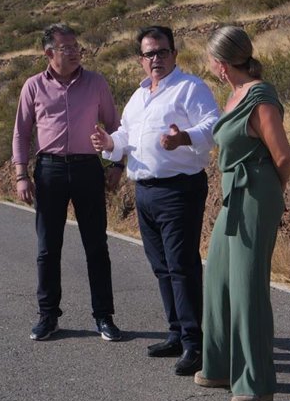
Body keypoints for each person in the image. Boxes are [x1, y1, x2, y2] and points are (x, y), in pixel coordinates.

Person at [92, 26, 219, 376]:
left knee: (181, 266)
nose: (156, 59)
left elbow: (214, 124)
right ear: (141, 60)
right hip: (145, 191)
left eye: (162, 52)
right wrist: (110, 143)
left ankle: (195, 343)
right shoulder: (139, 96)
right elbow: (127, 134)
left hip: (179, 189)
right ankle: (176, 333)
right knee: (162, 266)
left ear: (174, 54)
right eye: (149, 54)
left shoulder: (190, 87)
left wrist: (184, 138)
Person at [195, 26, 290, 401]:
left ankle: (256, 383)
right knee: (218, 278)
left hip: (255, 193)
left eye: (209, 59)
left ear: (220, 64)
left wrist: (269, 194)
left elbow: (282, 156)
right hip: (233, 194)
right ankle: (219, 366)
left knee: (248, 288)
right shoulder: (234, 95)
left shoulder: (260, 96)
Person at [12, 23, 125, 342]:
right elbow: (21, 132)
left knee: (96, 246)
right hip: (49, 171)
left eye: (77, 47)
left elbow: (115, 125)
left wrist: (118, 163)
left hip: (89, 168)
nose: (76, 53)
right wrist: (21, 175)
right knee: (48, 248)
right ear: (49, 53)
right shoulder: (33, 86)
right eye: (67, 48)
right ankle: (48, 316)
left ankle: (104, 316)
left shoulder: (96, 82)